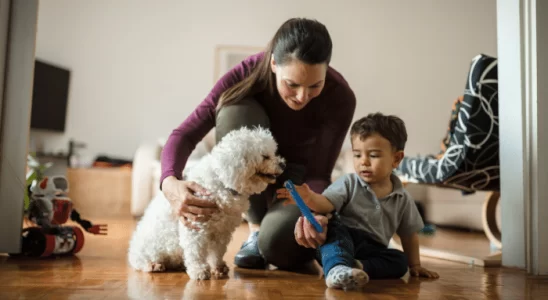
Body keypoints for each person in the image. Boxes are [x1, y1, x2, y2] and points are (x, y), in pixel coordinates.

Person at [159, 17, 356, 270]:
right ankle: (254, 228)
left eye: (315, 86)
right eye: (292, 84)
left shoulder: (341, 97)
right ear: (274, 63)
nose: (302, 97)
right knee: (233, 109)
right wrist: (169, 181)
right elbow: (185, 134)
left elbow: (319, 173)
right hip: (252, 177)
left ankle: (267, 237)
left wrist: (316, 211)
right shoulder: (246, 73)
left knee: (276, 245)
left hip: (295, 185)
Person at [277, 113, 439, 290]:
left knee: (400, 261)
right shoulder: (349, 183)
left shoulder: (403, 198)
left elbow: (409, 235)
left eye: (374, 155)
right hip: (341, 237)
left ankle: (357, 267)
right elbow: (326, 203)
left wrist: (415, 265)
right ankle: (336, 270)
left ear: (396, 159)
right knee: (336, 233)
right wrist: (309, 198)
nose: (364, 162)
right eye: (357, 155)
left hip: (373, 248)